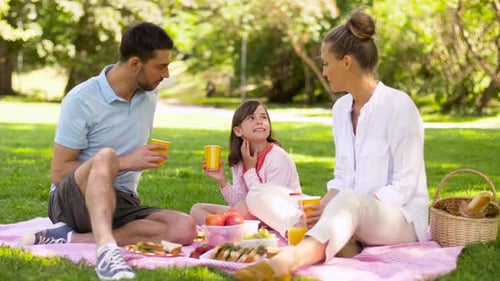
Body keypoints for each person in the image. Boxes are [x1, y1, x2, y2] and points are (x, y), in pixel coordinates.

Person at [234, 9, 429, 281]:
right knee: (260, 194)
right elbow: (341, 176)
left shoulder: (399, 105)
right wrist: (321, 207)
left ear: (347, 62)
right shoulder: (340, 109)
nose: (324, 71)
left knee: (350, 201)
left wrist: (344, 207)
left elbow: (405, 187)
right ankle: (338, 239)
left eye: (326, 63)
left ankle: (290, 260)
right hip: (345, 213)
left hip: (399, 218)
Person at [20, 22, 197, 280]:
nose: (166, 74)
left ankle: (73, 238)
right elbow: (58, 173)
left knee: (185, 227)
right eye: (161, 66)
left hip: (121, 199)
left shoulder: (148, 95)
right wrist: (124, 162)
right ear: (135, 64)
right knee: (106, 156)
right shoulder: (80, 99)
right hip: (71, 199)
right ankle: (106, 252)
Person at [190, 99, 302, 227]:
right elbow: (237, 201)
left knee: (242, 208)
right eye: (251, 118)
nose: (260, 121)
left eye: (264, 117)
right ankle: (228, 227)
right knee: (197, 209)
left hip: (280, 216)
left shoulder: (278, 158)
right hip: (248, 212)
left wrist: (250, 170)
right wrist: (222, 180)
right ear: (238, 131)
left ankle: (225, 228)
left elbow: (268, 203)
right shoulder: (240, 160)